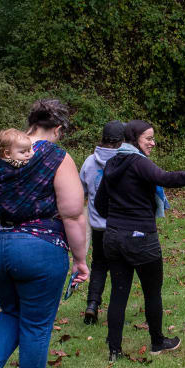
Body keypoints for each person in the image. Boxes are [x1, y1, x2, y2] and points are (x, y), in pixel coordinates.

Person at [0, 99, 90, 368]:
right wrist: (80, 258)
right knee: (37, 322)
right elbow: (73, 212)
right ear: (58, 129)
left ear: (31, 122)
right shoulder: (57, 157)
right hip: (39, 247)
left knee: (11, 310)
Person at [94, 120, 185, 362]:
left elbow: (99, 204)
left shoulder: (112, 162)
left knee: (119, 293)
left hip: (114, 237)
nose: (153, 142)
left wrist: (119, 218)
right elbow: (167, 178)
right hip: (140, 238)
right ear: (135, 138)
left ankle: (114, 350)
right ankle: (158, 341)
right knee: (152, 292)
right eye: (148, 138)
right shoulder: (139, 162)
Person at [78, 121, 125, 326]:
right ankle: (116, 310)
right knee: (121, 268)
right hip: (121, 225)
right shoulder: (127, 160)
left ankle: (92, 305)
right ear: (122, 140)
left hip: (98, 226)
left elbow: (81, 192)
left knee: (98, 265)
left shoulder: (89, 162)